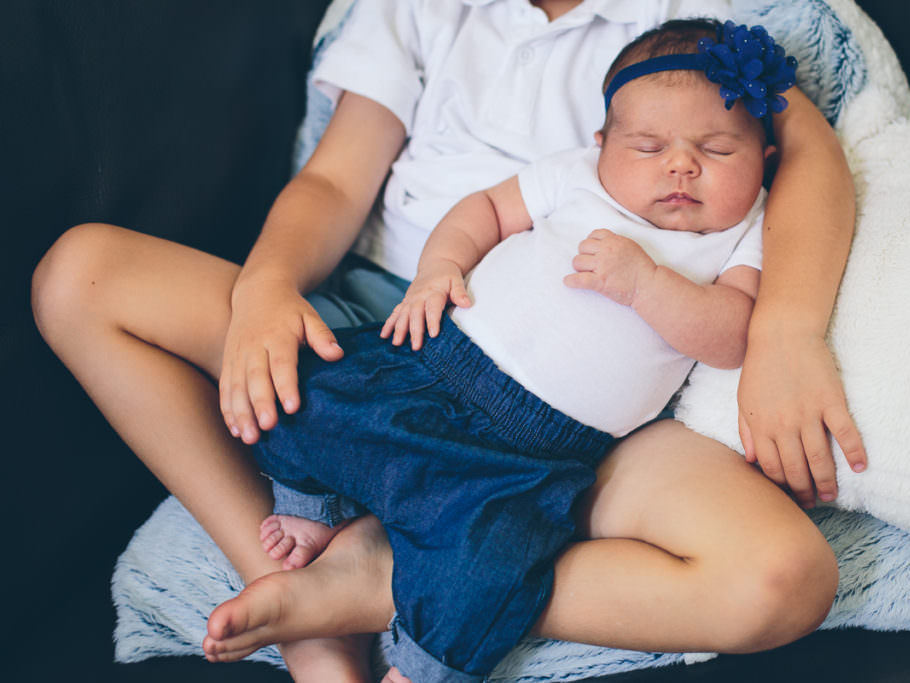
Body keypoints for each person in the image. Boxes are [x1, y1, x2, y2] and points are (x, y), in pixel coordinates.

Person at [31, 1, 865, 682]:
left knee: (783, 579)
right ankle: (291, 587)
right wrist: (266, 286)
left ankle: (383, 581)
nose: (680, 163)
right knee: (79, 275)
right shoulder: (416, 8)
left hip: (588, 411)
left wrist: (785, 331)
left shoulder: (692, 22)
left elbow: (807, 152)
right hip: (391, 320)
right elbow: (333, 178)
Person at [214, 19, 773, 682]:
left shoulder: (745, 230)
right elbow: (486, 210)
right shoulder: (578, 176)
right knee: (315, 388)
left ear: (764, 158)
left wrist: (647, 285)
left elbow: (731, 334)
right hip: (440, 363)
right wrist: (439, 268)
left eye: (717, 149)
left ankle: (418, 665)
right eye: (648, 146)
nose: (681, 165)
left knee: (496, 565)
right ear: (602, 144)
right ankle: (313, 507)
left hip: (538, 455)